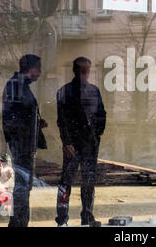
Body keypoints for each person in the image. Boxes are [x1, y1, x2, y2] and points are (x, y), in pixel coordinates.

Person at [55, 57, 106, 227]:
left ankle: (87, 216)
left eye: (87, 70)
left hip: (90, 145)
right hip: (73, 145)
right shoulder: (65, 92)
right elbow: (61, 120)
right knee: (66, 182)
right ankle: (62, 219)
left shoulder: (94, 91)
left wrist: (97, 134)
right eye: (82, 70)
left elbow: (102, 114)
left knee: (89, 182)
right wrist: (67, 142)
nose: (85, 73)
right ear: (75, 70)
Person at [2, 54, 48, 227]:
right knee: (22, 186)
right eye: (38, 67)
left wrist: (36, 123)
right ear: (29, 68)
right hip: (21, 145)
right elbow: (11, 118)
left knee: (24, 186)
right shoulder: (16, 85)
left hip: (24, 143)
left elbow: (20, 115)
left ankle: (20, 222)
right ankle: (18, 223)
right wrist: (27, 128)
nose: (40, 72)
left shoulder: (22, 86)